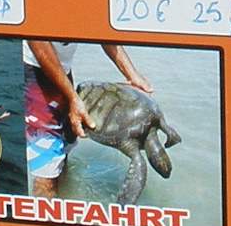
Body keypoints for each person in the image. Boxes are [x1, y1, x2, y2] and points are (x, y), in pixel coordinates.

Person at [23, 41, 152, 195]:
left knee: (62, 153)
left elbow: (103, 33)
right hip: (36, 73)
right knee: (45, 169)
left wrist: (132, 75)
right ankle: (43, 209)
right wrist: (73, 98)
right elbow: (39, 44)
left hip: (62, 72)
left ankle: (64, 199)